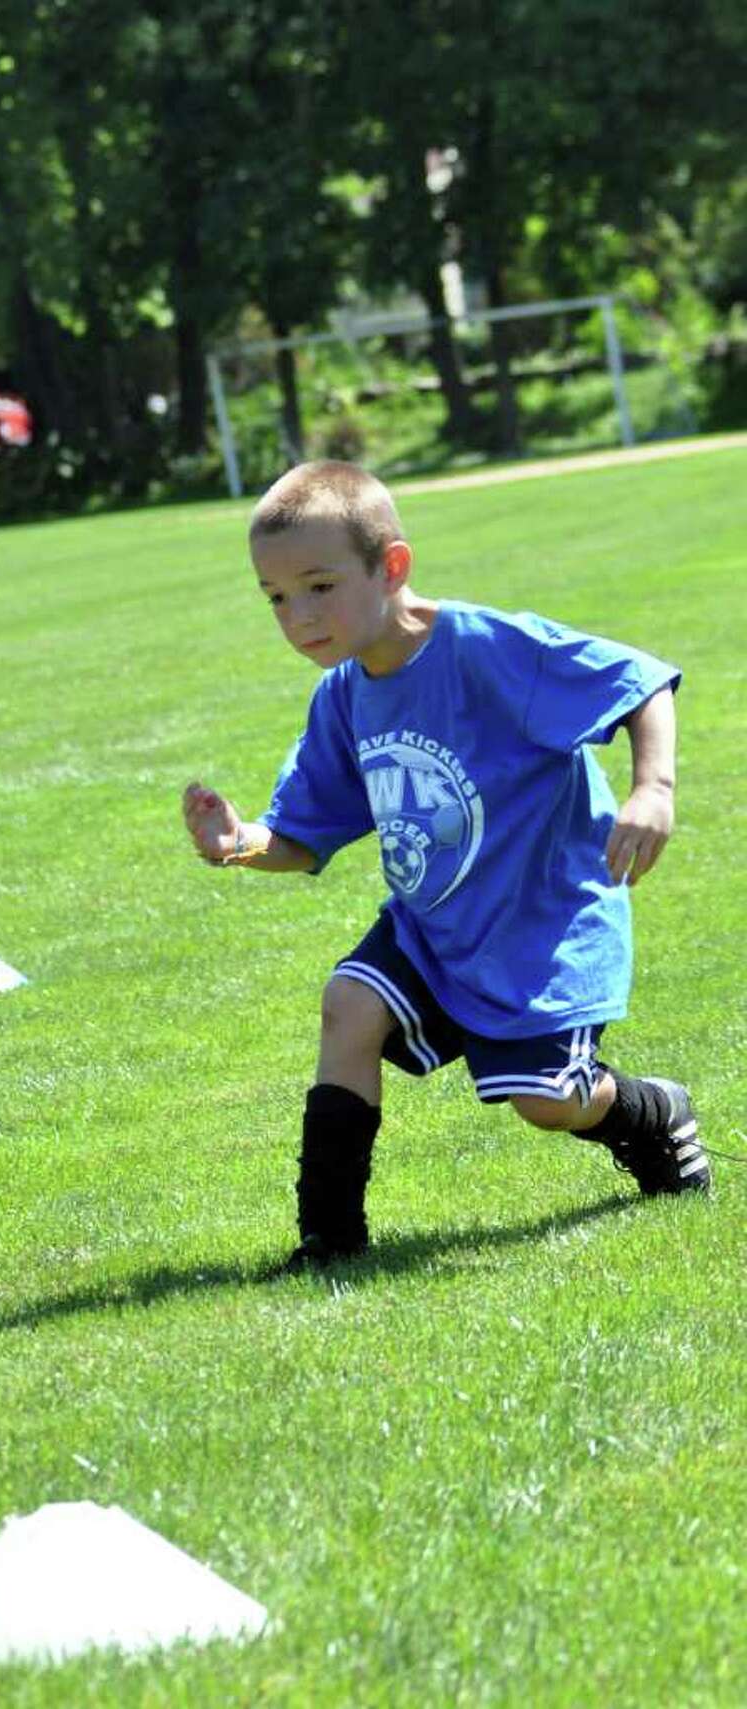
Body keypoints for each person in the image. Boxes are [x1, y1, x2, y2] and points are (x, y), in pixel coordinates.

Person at [182, 460, 710, 1270]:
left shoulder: (484, 648)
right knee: (348, 1006)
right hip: (432, 928)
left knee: (547, 1102)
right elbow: (306, 833)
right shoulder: (345, 696)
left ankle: (650, 1112)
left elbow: (639, 680)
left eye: (319, 586)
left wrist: (654, 789)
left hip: (539, 925)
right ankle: (331, 1240)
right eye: (277, 597)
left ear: (391, 566)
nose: (298, 616)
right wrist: (242, 842)